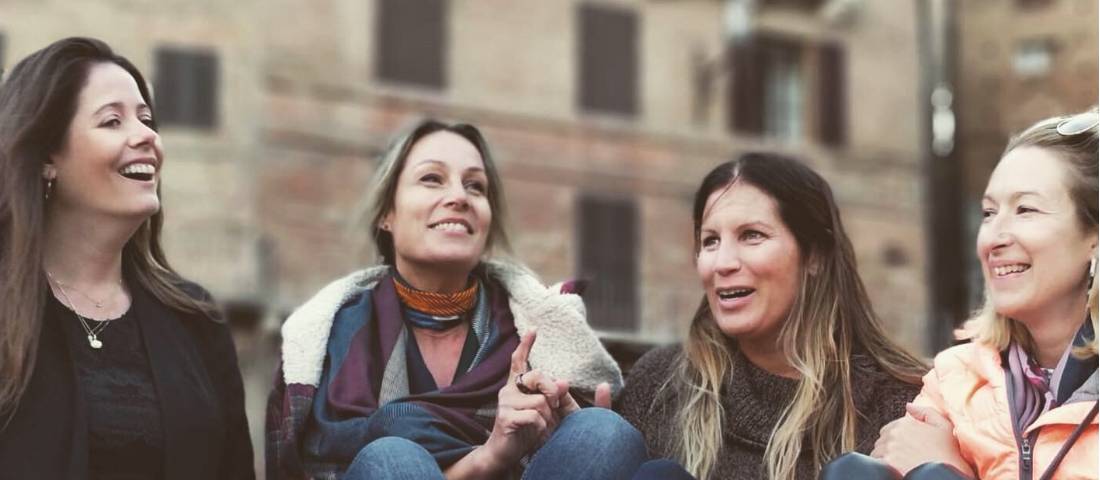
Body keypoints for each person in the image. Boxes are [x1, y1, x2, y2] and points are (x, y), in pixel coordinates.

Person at [265, 119, 646, 479]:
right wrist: (487, 458)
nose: (459, 197)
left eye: (475, 186)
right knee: (391, 456)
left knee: (603, 431)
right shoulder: (332, 338)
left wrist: (560, 436)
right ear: (387, 214)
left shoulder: (537, 339)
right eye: (432, 179)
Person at [0, 37, 254, 479]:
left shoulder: (196, 319)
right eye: (112, 121)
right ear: (46, 158)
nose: (147, 136)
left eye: (147, 119)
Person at [618, 152, 928, 480]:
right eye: (710, 241)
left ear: (815, 256)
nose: (723, 262)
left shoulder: (901, 405)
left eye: (752, 235)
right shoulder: (659, 384)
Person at [867, 110, 1098, 479]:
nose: (994, 237)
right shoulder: (955, 377)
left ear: (1094, 237)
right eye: (989, 213)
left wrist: (953, 472)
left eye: (1025, 209)